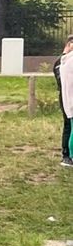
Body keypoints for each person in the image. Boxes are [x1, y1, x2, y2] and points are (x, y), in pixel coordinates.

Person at [54, 35, 73, 167]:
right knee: (69, 125)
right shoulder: (64, 62)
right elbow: (57, 72)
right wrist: (64, 53)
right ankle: (66, 155)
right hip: (67, 98)